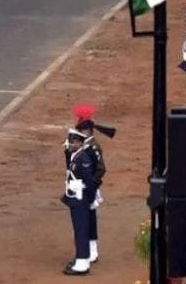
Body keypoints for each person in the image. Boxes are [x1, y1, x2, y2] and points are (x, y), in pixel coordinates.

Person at [70, 105, 115, 264]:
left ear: (86, 131)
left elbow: (101, 169)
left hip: (90, 187)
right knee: (87, 218)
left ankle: (93, 250)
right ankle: (90, 249)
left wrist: (91, 186)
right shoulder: (87, 145)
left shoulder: (92, 147)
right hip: (85, 187)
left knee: (89, 219)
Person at [60, 126, 99, 275]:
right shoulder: (75, 155)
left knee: (81, 230)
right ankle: (82, 258)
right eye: (70, 141)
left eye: (73, 141)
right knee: (80, 229)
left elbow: (89, 182)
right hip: (76, 198)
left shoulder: (82, 158)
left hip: (80, 199)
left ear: (80, 143)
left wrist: (90, 199)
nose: (70, 144)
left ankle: (82, 263)